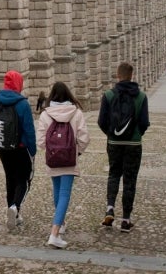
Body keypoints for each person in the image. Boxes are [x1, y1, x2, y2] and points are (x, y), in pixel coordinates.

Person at [97, 62, 149, 233]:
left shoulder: (109, 95)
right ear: (132, 75)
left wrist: (112, 134)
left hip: (114, 143)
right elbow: (144, 123)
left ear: (117, 75)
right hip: (133, 144)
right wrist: (135, 134)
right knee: (130, 180)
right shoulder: (141, 97)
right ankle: (126, 219)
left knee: (113, 174)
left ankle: (110, 208)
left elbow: (101, 122)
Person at [37, 81, 90, 249]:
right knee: (65, 194)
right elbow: (84, 138)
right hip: (69, 159)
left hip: (53, 160)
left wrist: (51, 150)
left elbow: (40, 141)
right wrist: (77, 152)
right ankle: (54, 233)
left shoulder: (45, 114)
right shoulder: (76, 113)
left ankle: (61, 223)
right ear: (68, 95)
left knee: (57, 191)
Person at [0, 70, 37, 232]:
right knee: (23, 179)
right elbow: (29, 130)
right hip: (21, 149)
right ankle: (15, 207)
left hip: (3, 148)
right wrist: (33, 149)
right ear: (18, 84)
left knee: (10, 178)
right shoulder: (22, 104)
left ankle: (12, 210)